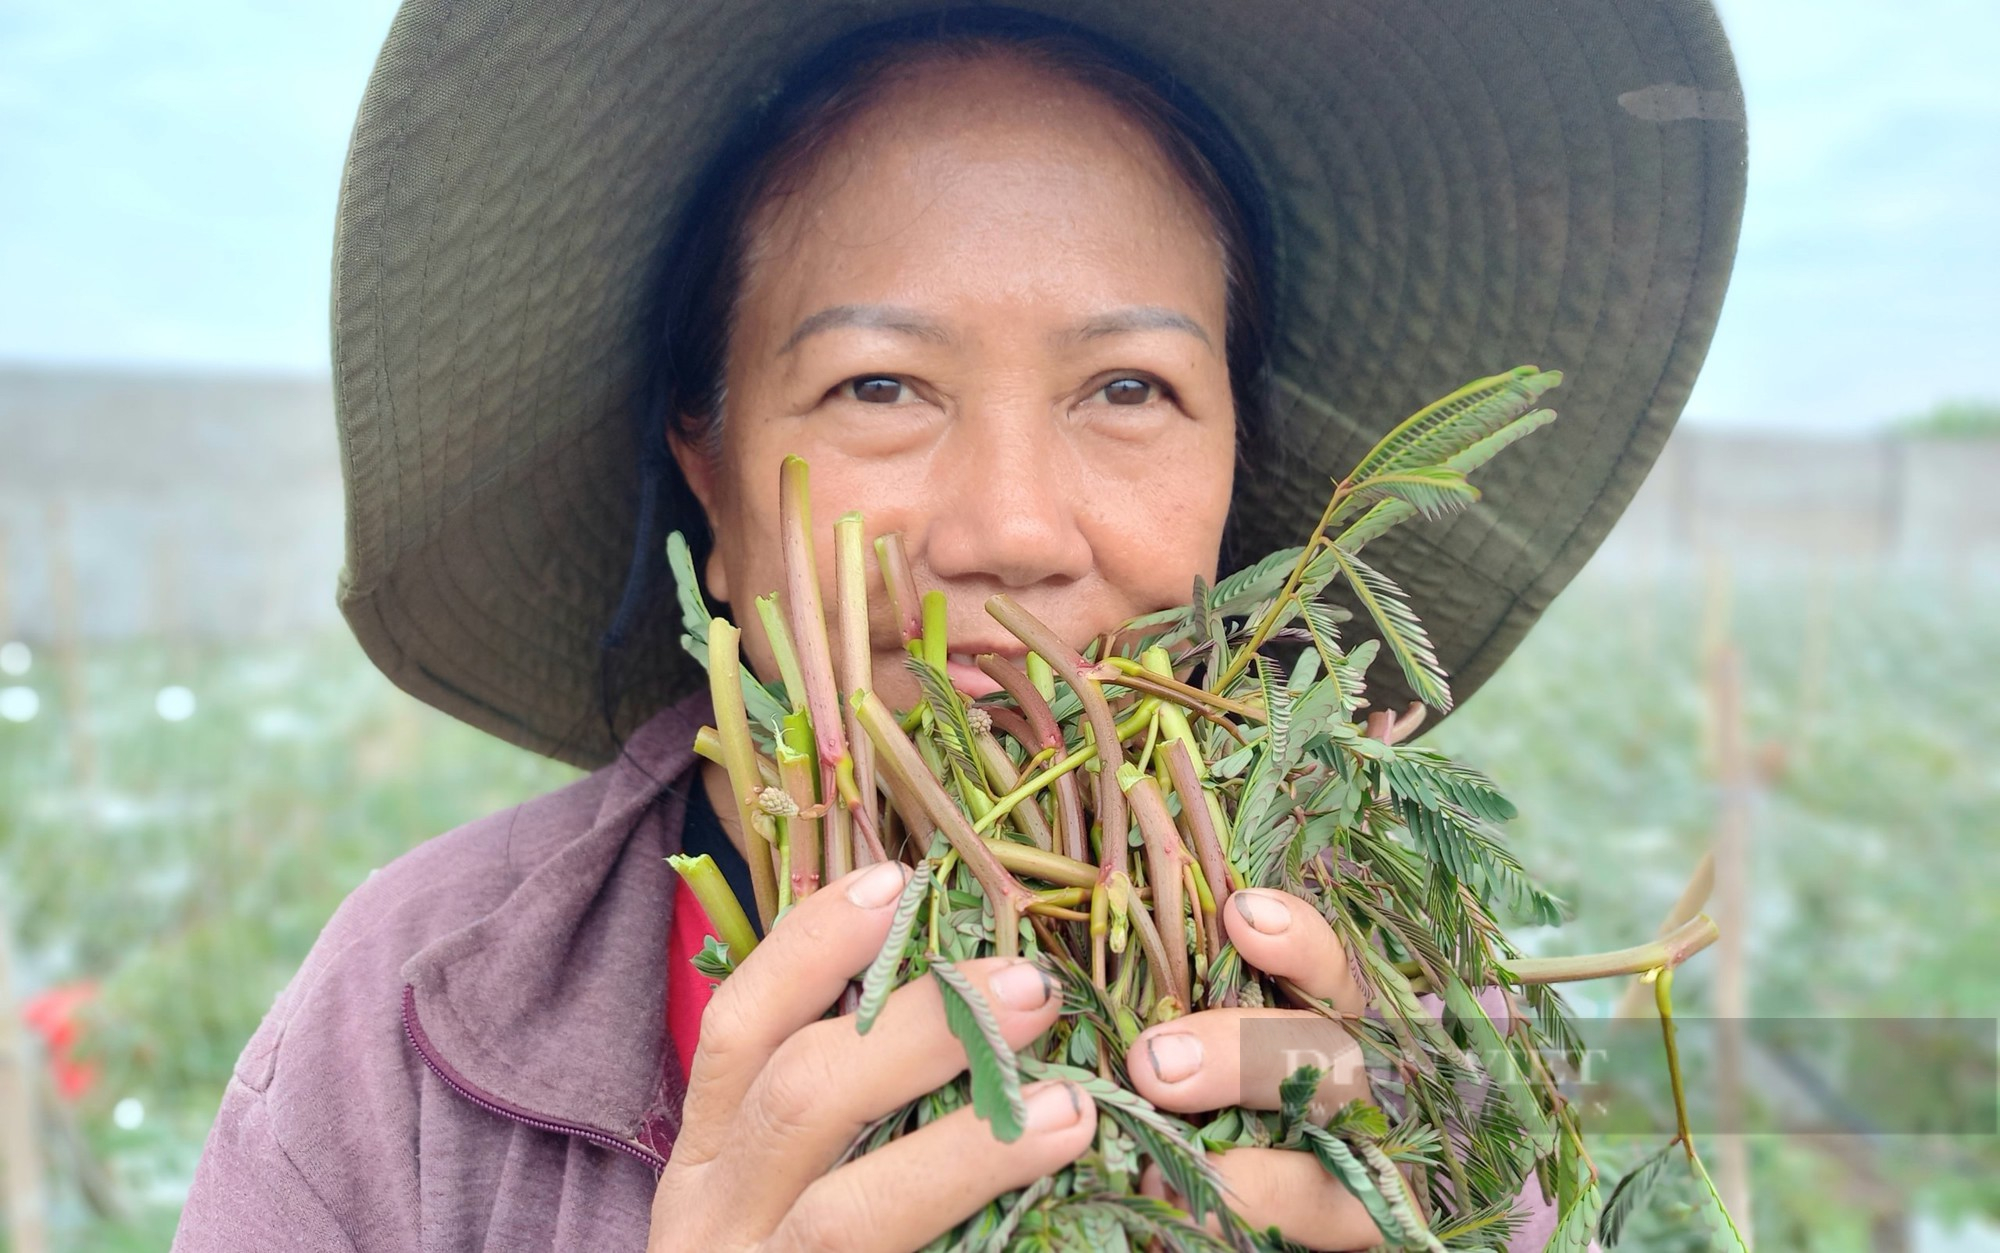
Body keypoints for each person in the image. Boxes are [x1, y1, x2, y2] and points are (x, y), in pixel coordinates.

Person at [175, 4, 1745, 1250]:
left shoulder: (1388, 1024)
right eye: (880, 385)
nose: (1010, 530)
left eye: (1130, 389)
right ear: (708, 476)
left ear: (1231, 475)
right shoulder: (407, 1017)